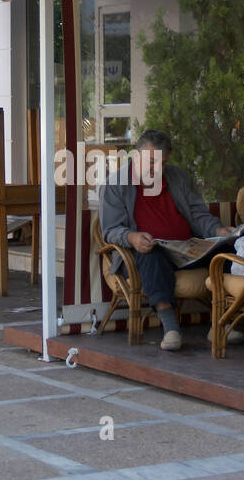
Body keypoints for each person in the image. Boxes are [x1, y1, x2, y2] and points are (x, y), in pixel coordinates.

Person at [99, 130, 235, 351]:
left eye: (162, 164)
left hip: (186, 247)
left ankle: (221, 323)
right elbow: (110, 230)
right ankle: (171, 328)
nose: (157, 169)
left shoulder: (177, 177)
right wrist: (132, 237)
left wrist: (218, 229)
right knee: (151, 256)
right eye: (151, 162)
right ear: (136, 157)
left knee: (227, 252)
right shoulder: (115, 185)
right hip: (142, 251)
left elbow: (197, 214)